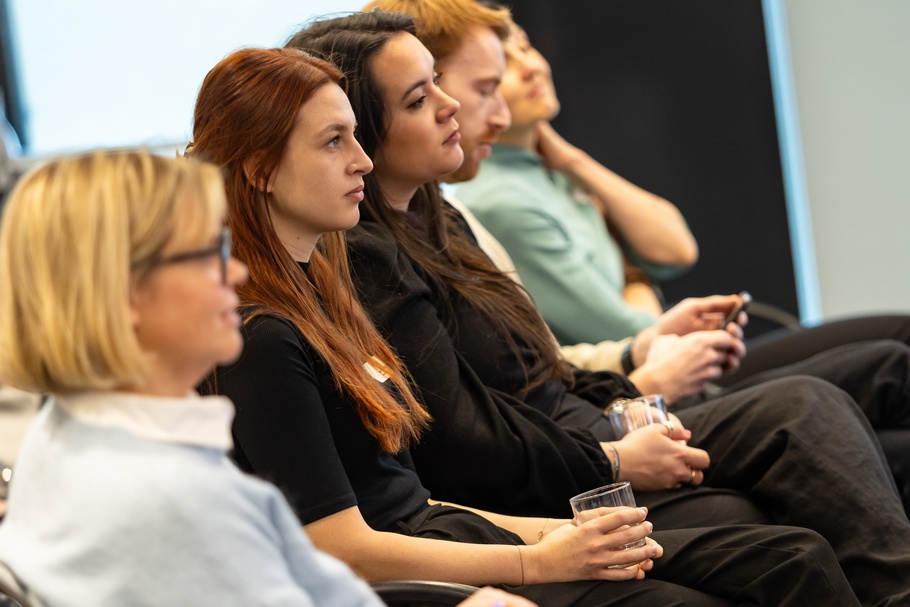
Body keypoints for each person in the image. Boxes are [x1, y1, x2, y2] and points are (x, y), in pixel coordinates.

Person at [190, 34, 863, 607]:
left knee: (789, 550)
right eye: (334, 143)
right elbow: (341, 548)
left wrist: (553, 534)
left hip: (460, 538)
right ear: (262, 169)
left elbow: (417, 501)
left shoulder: (326, 293)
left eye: (355, 139)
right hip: (433, 579)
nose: (360, 159)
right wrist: (537, 558)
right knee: (784, 561)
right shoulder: (263, 337)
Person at [0, 150, 527, 607]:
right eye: (208, 254)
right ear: (126, 292)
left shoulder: (63, 434)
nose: (234, 273)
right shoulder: (172, 495)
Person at [451, 7, 910, 385]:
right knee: (893, 350)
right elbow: (633, 335)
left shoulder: (550, 171)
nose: (532, 66)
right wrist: (635, 279)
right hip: (669, 381)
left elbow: (674, 249)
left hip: (681, 364)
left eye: (528, 48)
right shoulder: (502, 201)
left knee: (896, 345)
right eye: (505, 69)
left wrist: (572, 160)